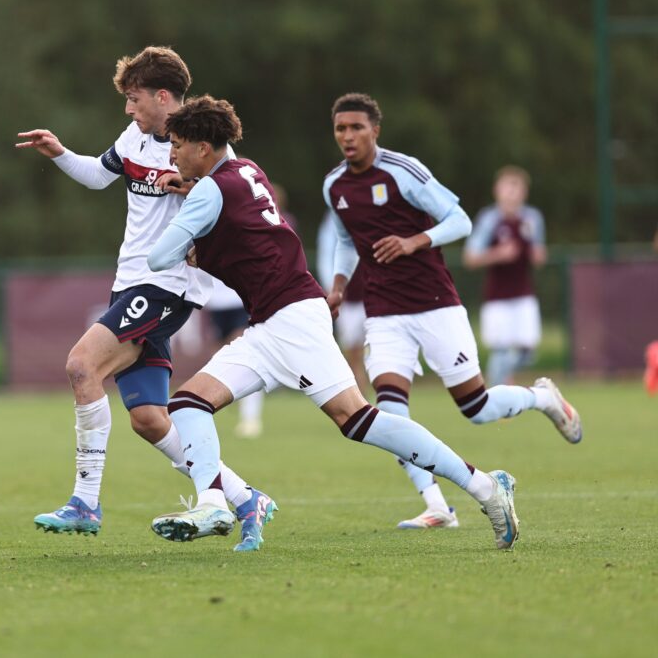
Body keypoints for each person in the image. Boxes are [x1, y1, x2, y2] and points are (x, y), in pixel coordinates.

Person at [146, 94, 521, 551]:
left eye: (178, 145)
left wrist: (189, 223)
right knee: (187, 404)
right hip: (271, 322)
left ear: (203, 148)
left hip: (292, 318)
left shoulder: (210, 189)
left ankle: (485, 486)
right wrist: (198, 204)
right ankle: (213, 501)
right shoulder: (246, 169)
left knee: (357, 419)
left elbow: (158, 256)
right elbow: (230, 205)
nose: (172, 154)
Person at [15, 47, 273, 551]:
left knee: (81, 365)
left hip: (167, 286)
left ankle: (85, 502)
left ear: (161, 96)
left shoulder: (202, 146)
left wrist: (197, 213)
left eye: (134, 99)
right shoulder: (134, 137)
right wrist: (59, 152)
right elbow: (99, 174)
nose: (128, 110)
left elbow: (232, 205)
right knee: (149, 419)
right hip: (131, 282)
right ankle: (245, 499)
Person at [322, 92, 581, 531]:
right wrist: (340, 285)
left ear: (375, 131)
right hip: (385, 314)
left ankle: (542, 398)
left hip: (435, 305)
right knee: (390, 409)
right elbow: (348, 241)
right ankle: (437, 505)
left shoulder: (404, 171)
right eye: (340, 129)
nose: (348, 136)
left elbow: (459, 220)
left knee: (476, 408)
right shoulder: (335, 186)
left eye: (356, 128)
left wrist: (413, 242)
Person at [463, 166, 547, 386]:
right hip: (497, 297)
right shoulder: (489, 219)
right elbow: (470, 258)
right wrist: (497, 255)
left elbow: (538, 253)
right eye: (508, 187)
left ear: (524, 192)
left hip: (524, 294)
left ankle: (495, 381)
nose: (512, 192)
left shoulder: (533, 218)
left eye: (517, 187)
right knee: (500, 350)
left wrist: (538, 255)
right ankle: (495, 396)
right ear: (497, 190)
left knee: (528, 351)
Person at [317, 212, 369, 393]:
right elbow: (326, 252)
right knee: (352, 353)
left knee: (378, 352)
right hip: (347, 298)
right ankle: (362, 400)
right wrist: (332, 287)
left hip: (374, 294)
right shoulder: (332, 218)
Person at [205, 277, 264, 438]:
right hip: (214, 303)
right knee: (218, 360)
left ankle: (250, 418)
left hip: (238, 300)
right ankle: (207, 415)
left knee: (245, 358)